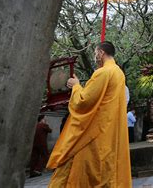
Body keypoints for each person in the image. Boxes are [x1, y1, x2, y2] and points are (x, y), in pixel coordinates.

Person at [46, 41, 131, 187]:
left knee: (76, 170)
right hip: (109, 131)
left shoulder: (103, 72)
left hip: (93, 133)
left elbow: (83, 101)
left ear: (101, 53)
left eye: (95, 53)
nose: (94, 57)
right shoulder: (119, 73)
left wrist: (76, 86)